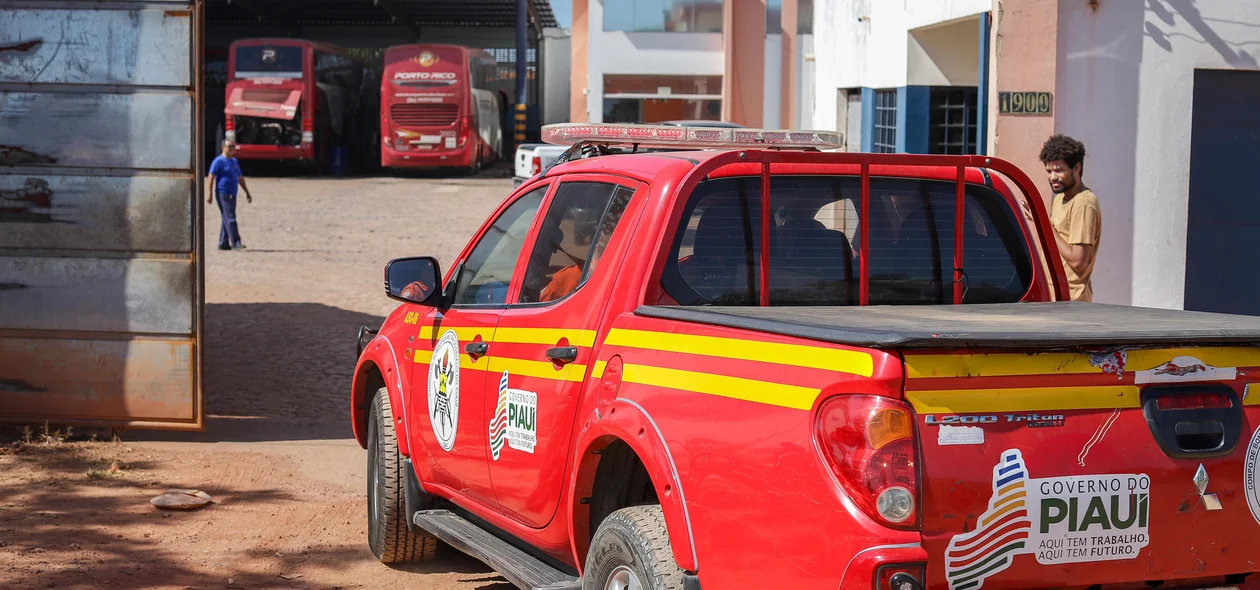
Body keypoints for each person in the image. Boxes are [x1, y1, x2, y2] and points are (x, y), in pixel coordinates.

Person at [1040, 134, 1101, 302]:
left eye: (1059, 170)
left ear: (1077, 168)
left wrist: (1045, 224)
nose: (1052, 177)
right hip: (1055, 295)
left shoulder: (1084, 203)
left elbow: (1078, 261)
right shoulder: (1060, 197)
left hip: (1071, 301)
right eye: (1049, 171)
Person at [207, 140, 253, 251]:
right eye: (229, 146)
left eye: (233, 147)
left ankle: (223, 243)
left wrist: (247, 192)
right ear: (223, 147)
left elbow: (240, 178)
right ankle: (236, 242)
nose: (232, 149)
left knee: (226, 217)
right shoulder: (218, 161)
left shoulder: (234, 161)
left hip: (233, 193)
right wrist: (209, 194)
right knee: (230, 218)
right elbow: (211, 177)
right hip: (223, 193)